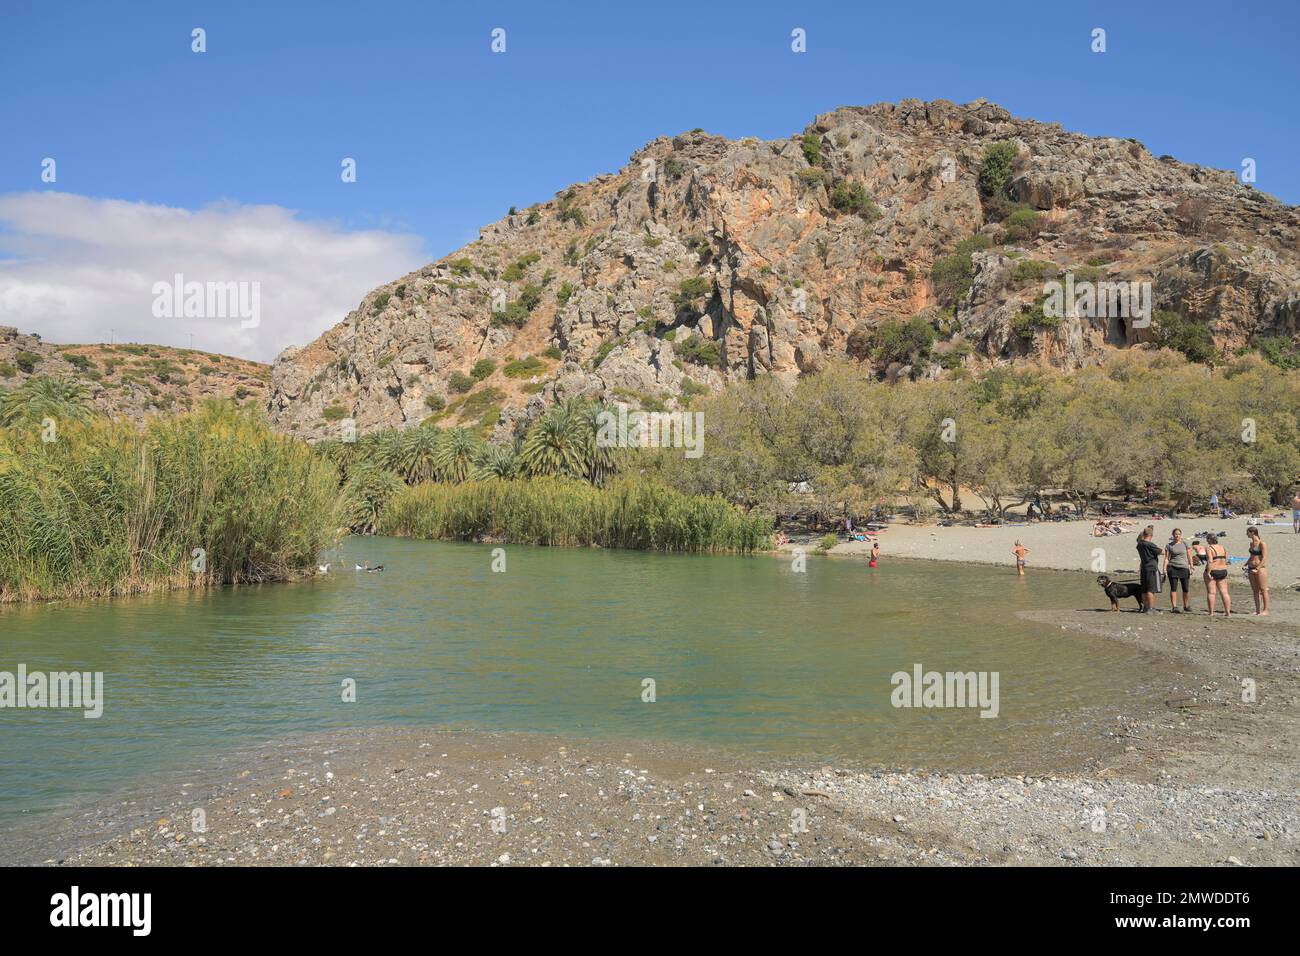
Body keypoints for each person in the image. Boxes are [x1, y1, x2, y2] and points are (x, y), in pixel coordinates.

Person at [1164, 528, 1192, 613]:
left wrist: (1191, 566)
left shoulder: (1185, 544)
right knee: (1173, 588)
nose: (1177, 535)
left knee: (1186, 588)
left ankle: (1186, 605)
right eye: (1175, 534)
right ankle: (1174, 606)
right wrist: (1164, 569)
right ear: (1173, 535)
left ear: (1181, 535)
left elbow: (1189, 556)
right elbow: (1166, 558)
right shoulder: (1169, 545)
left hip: (1184, 568)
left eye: (1179, 534)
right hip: (1173, 568)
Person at [1202, 532, 1231, 617]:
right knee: (1225, 592)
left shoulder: (1209, 548)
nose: (1207, 541)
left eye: (1207, 539)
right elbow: (1225, 560)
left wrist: (1208, 572)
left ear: (1210, 540)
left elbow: (1210, 561)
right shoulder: (1222, 547)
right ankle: (1227, 612)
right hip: (1223, 570)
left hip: (1213, 570)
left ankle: (1211, 612)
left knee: (1211, 593)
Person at [1136, 527, 1163, 613]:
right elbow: (1161, 552)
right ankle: (1151, 608)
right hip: (1151, 568)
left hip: (1144, 567)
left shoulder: (1139, 544)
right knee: (1151, 589)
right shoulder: (1150, 544)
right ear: (1151, 535)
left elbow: (1139, 539)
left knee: (1144, 589)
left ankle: (1145, 607)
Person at [1245, 525, 1269, 615]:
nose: (1246, 534)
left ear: (1252, 533)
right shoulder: (1251, 544)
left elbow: (1264, 557)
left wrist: (1258, 568)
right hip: (1251, 568)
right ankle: (1258, 610)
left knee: (1263, 589)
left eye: (1247, 532)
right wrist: (1246, 564)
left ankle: (1265, 610)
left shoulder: (1262, 543)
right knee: (1255, 590)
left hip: (1260, 568)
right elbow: (1252, 556)